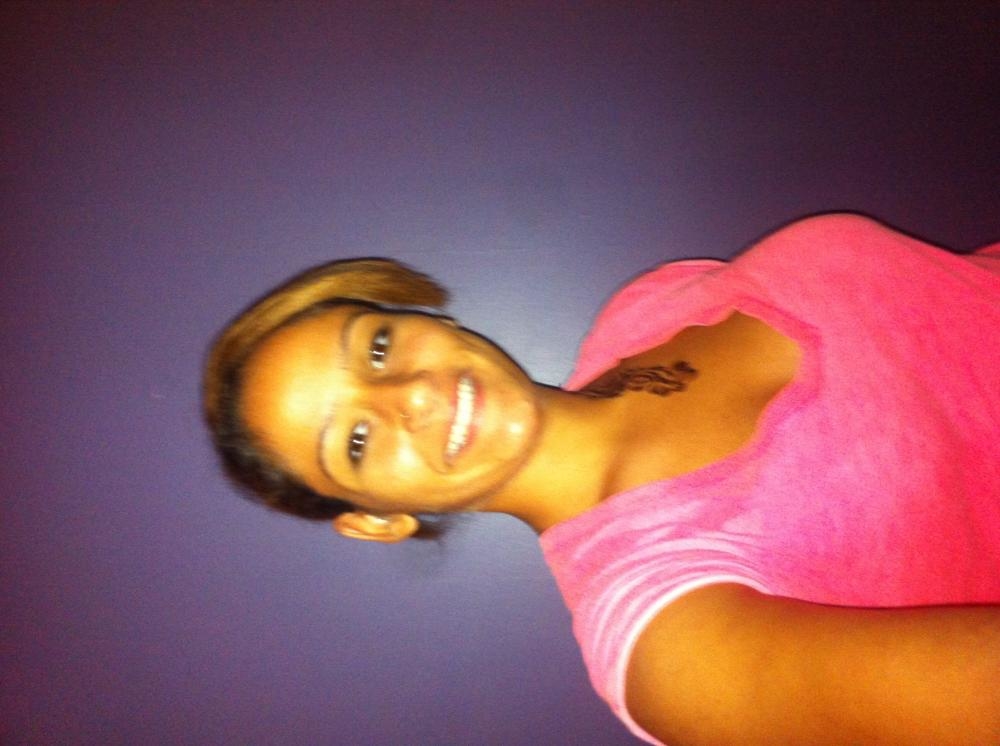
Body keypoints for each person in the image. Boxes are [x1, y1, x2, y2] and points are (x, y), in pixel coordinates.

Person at [204, 213, 1000, 745]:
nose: (407, 395)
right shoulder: (662, 637)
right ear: (377, 519)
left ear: (415, 316)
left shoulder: (647, 310)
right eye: (355, 439)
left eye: (376, 347)